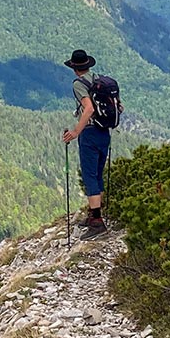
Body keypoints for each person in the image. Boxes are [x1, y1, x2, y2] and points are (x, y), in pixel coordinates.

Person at [61, 49, 110, 237]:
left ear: (74, 68)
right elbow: (119, 106)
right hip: (104, 131)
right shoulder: (99, 80)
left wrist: (75, 132)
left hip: (90, 133)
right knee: (97, 174)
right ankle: (94, 214)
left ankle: (97, 222)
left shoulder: (78, 84)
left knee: (89, 176)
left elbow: (88, 109)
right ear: (88, 65)